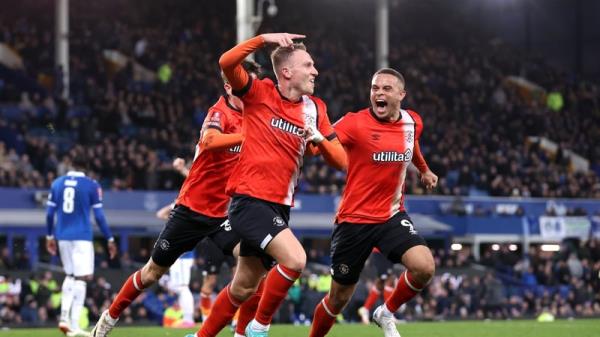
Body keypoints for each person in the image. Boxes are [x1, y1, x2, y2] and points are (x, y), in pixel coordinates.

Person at [91, 61, 265, 337]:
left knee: (256, 265)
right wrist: (249, 138)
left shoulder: (253, 116)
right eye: (247, 85)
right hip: (190, 211)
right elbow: (209, 141)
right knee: (151, 274)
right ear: (230, 86)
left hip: (221, 216)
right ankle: (109, 318)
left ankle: (242, 331)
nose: (252, 91)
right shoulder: (218, 112)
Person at [191, 33, 347, 337]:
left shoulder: (315, 109)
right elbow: (226, 62)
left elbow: (342, 161)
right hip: (249, 201)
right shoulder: (257, 93)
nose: (315, 71)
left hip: (279, 205)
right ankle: (259, 328)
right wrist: (263, 39)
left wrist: (319, 140)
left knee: (244, 286)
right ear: (286, 72)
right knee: (295, 259)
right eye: (308, 65)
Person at [308, 68, 438, 337]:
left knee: (424, 267)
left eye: (386, 89)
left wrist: (424, 169)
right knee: (338, 299)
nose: (379, 93)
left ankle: (385, 312)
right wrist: (318, 140)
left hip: (391, 216)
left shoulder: (413, 122)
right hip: (353, 222)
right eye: (375, 88)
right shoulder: (354, 123)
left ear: (401, 95)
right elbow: (322, 145)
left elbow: (412, 147)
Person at [46, 156, 117, 337]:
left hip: (62, 236)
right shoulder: (91, 185)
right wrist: (109, 238)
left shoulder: (57, 183)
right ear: (86, 169)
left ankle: (64, 319)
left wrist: (49, 236)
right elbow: (99, 216)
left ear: (70, 166)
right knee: (82, 277)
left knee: (70, 275)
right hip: (82, 237)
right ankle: (74, 324)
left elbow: (49, 214)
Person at [357, 249, 397, 324]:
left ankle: (365, 309)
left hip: (389, 250)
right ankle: (387, 313)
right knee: (388, 279)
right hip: (381, 250)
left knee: (381, 282)